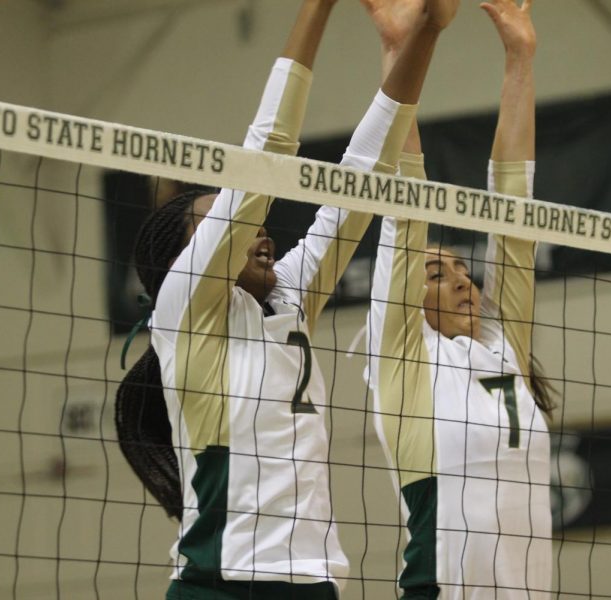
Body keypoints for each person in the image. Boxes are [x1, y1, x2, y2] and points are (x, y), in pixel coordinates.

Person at [114, 0, 460, 598]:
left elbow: (366, 173)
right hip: (218, 585)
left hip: (313, 582)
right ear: (191, 257)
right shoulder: (188, 310)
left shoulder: (289, 298)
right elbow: (269, 146)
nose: (261, 232)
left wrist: (424, 33)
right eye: (224, 226)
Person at [364, 0, 554, 598]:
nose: (462, 281)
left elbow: (514, 216)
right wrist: (401, 49)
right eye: (436, 274)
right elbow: (405, 206)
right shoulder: (404, 360)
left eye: (463, 270)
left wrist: (520, 57)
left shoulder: (505, 347)